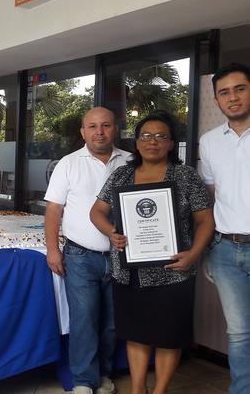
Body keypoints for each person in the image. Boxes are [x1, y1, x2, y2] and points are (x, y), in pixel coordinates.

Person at [90, 111, 214, 394]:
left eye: (161, 136)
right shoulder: (121, 175)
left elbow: (205, 220)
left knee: (168, 337)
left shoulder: (185, 176)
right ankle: (137, 389)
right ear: (136, 142)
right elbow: (97, 211)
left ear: (172, 143)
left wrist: (194, 253)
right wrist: (111, 232)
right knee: (136, 335)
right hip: (130, 272)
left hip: (174, 271)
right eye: (146, 136)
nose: (153, 142)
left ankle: (159, 391)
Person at [44, 107, 131, 394]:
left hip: (121, 258)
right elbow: (54, 210)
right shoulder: (68, 164)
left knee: (110, 323)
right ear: (83, 132)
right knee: (84, 321)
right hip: (80, 256)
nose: (99, 132)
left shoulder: (130, 162)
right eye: (92, 126)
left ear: (114, 128)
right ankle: (83, 381)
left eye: (105, 125)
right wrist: (52, 250)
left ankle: (103, 375)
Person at [199, 62, 250, 394]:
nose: (232, 98)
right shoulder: (209, 141)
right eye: (224, 92)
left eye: (240, 89)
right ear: (217, 100)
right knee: (240, 333)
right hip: (227, 250)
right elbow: (213, 193)